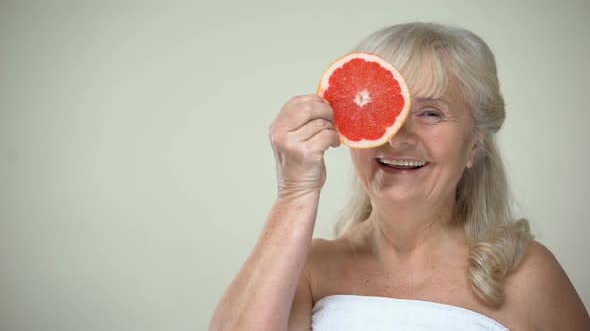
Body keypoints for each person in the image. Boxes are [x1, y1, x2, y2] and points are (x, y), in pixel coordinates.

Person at [209, 22, 590, 330]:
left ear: (475, 143)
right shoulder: (309, 268)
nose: (398, 136)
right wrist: (295, 192)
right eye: (379, 109)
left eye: (430, 113)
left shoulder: (527, 275)